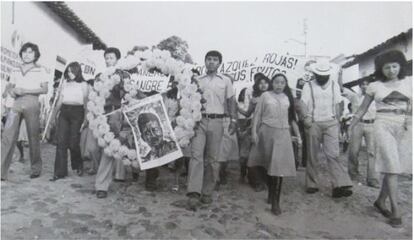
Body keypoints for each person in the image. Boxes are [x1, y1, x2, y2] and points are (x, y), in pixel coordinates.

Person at [349, 50, 412, 228]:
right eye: (387, 67)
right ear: (380, 69)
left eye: (394, 66)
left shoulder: (410, 82)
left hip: (406, 126)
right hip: (383, 125)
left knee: (395, 168)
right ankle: (395, 210)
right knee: (391, 168)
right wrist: (351, 125)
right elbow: (361, 109)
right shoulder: (374, 86)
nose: (391, 70)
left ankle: (380, 202)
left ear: (400, 66)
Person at [186, 50, 238, 210]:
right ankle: (194, 192)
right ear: (205, 61)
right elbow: (188, 99)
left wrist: (234, 120)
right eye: (209, 59)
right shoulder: (197, 80)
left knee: (212, 158)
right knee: (196, 155)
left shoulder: (225, 81)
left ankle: (207, 191)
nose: (211, 62)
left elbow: (231, 101)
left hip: (217, 121)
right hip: (199, 121)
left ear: (219, 63)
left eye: (215, 60)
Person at [298, 60, 353, 198]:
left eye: (325, 75)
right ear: (315, 74)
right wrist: (306, 118)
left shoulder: (334, 85)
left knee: (333, 154)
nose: (322, 77)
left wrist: (338, 119)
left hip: (331, 123)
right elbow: (302, 103)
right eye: (319, 75)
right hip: (314, 123)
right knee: (312, 154)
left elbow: (338, 103)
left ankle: (339, 185)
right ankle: (311, 183)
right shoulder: (308, 86)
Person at [251, 73, 301, 215]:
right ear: (272, 83)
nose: (279, 85)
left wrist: (298, 136)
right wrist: (254, 132)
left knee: (278, 168)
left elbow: (292, 119)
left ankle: (275, 202)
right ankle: (270, 193)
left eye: (282, 82)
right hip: (266, 133)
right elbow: (257, 115)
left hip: (283, 134)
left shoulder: (288, 98)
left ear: (285, 84)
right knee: (268, 166)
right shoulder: (265, 96)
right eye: (277, 82)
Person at [1, 42, 49, 180]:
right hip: (17, 103)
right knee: (7, 135)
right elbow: (9, 86)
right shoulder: (15, 70)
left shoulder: (41, 70)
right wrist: (11, 91)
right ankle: (1, 171)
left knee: (33, 136)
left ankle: (36, 168)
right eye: (24, 52)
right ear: (21, 53)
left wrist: (26, 90)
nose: (27, 55)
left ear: (35, 55)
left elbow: (45, 89)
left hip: (32, 102)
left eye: (30, 52)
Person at [95, 47, 128, 198]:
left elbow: (126, 93)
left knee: (108, 147)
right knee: (92, 148)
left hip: (114, 112)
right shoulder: (99, 76)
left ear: (117, 60)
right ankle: (103, 176)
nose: (108, 60)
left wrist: (119, 84)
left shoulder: (122, 75)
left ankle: (101, 186)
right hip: (99, 113)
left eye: (111, 58)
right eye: (106, 58)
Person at [49, 62, 89, 181]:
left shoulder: (83, 84)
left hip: (78, 113)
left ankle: (78, 164)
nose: (70, 74)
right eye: (68, 71)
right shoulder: (65, 83)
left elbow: (86, 103)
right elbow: (59, 102)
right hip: (64, 112)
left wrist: (86, 118)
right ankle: (59, 172)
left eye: (72, 71)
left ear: (78, 71)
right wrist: (53, 116)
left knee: (73, 142)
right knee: (61, 142)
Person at [342, 79, 379, 188]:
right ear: (360, 86)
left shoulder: (376, 98)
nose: (365, 86)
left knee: (372, 153)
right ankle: (352, 174)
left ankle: (372, 179)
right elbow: (341, 88)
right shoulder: (354, 96)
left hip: (372, 125)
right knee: (353, 151)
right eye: (362, 84)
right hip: (357, 125)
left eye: (367, 84)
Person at [240, 73, 270, 191]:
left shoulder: (274, 96)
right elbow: (248, 114)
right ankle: (255, 181)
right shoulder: (254, 99)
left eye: (265, 82)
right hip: (254, 128)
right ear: (257, 85)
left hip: (269, 128)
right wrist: (236, 108)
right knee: (251, 155)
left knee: (266, 155)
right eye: (260, 83)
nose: (263, 85)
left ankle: (265, 180)